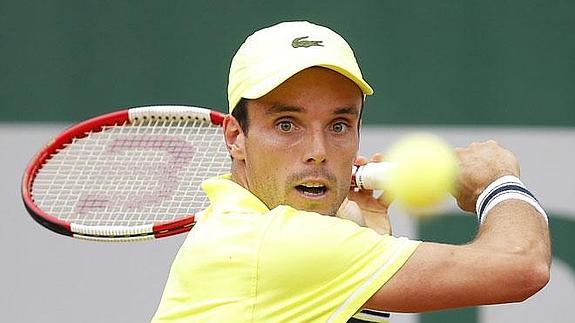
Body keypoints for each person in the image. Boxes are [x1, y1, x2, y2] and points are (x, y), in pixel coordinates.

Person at [152, 21, 551, 322]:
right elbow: (521, 265)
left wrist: (371, 227)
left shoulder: (243, 231)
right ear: (236, 137)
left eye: (338, 125)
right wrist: (498, 182)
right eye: (287, 124)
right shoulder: (271, 243)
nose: (318, 152)